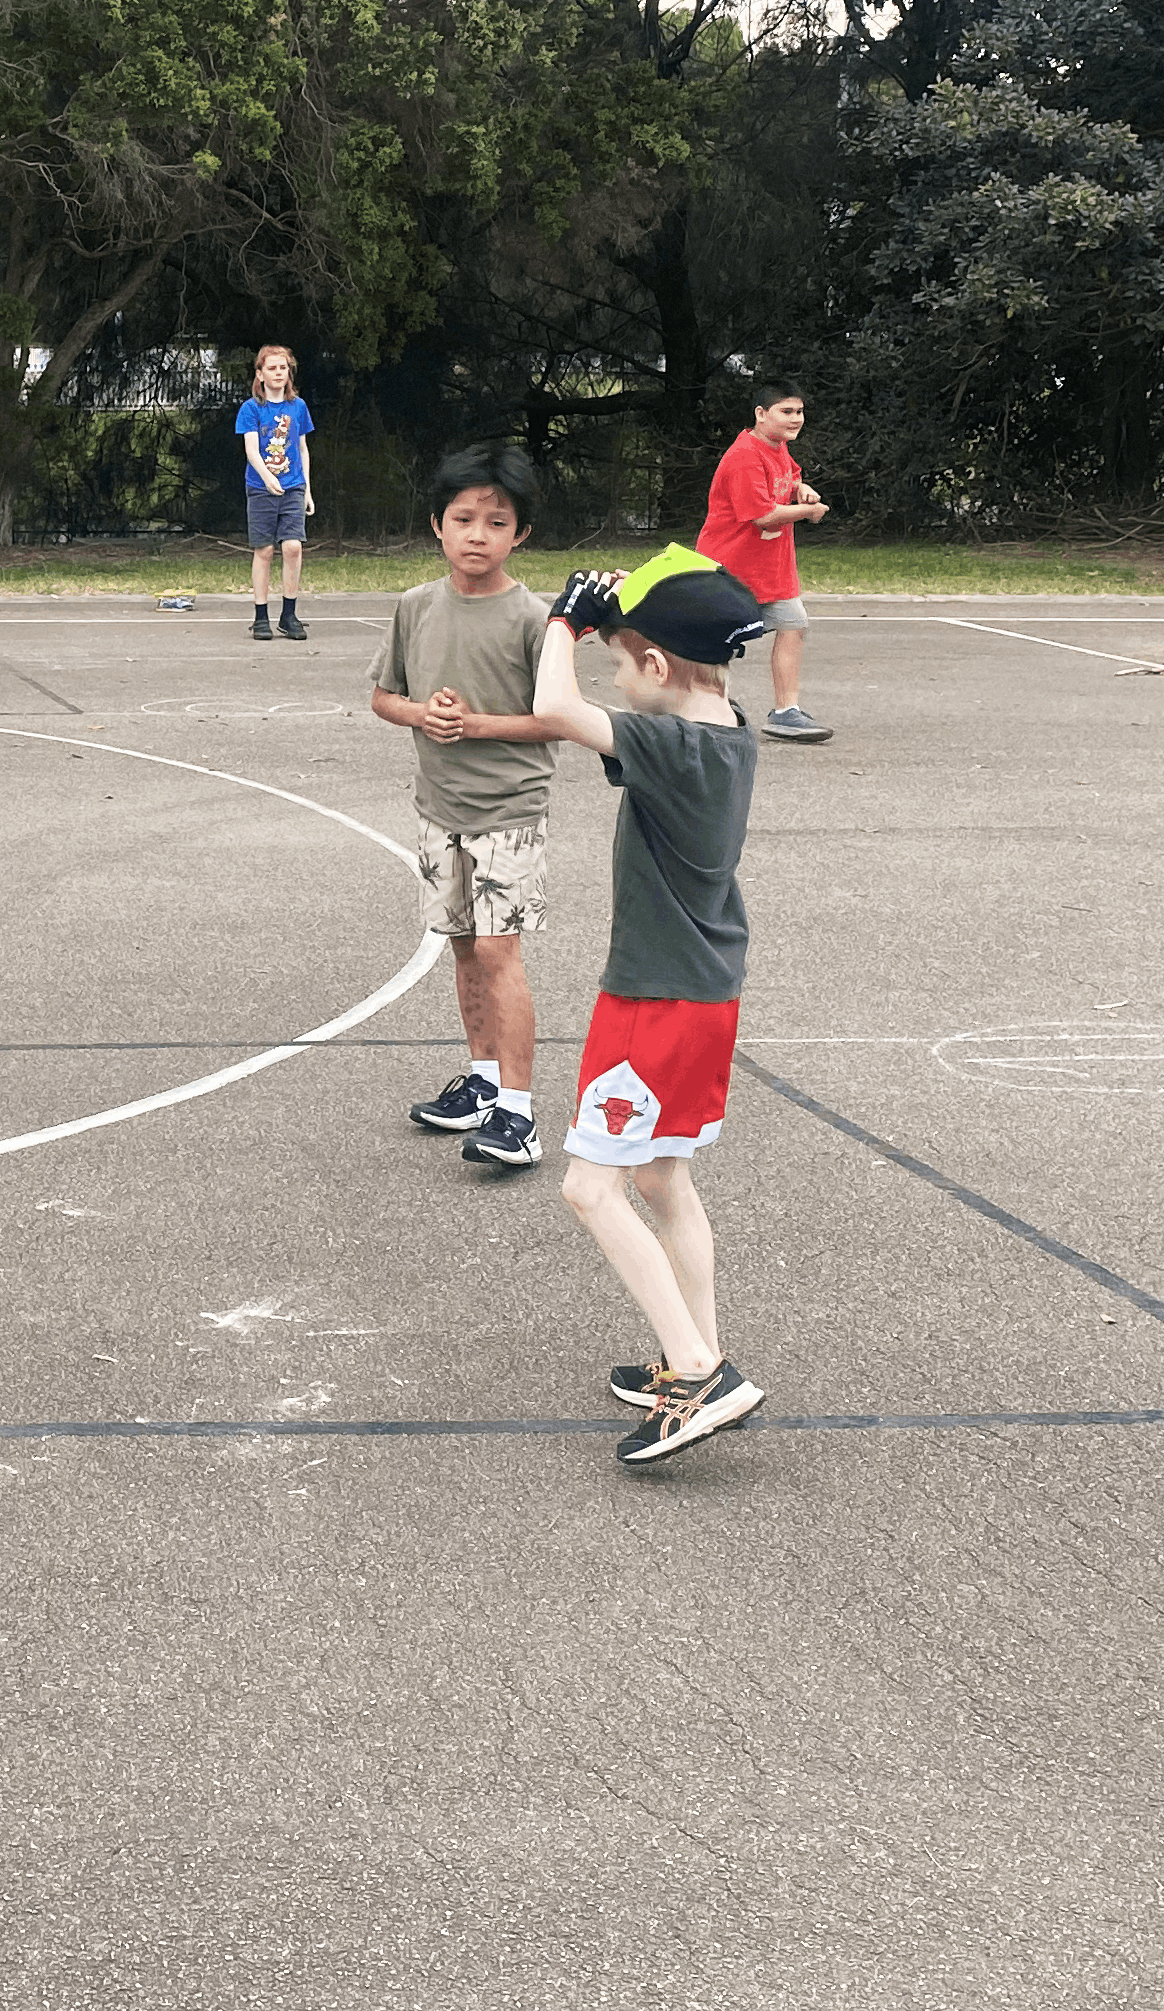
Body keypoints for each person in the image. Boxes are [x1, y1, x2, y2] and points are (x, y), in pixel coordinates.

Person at [532, 545, 772, 1463]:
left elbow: (553, 710)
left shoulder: (670, 746)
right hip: (704, 993)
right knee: (664, 1178)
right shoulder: (729, 730)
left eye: (622, 665)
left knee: (588, 1186)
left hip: (653, 999)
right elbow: (654, 686)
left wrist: (565, 621)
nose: (616, 682)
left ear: (660, 666)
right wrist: (626, 619)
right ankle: (692, 1355)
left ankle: (700, 1372)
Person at [370, 445, 561, 1169]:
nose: (477, 535)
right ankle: (482, 1083)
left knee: (497, 950)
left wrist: (475, 724)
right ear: (437, 524)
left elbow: (557, 719)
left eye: (496, 522)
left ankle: (519, 1112)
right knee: (460, 943)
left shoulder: (535, 620)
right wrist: (423, 713)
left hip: (508, 810)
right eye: (463, 519)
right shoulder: (415, 606)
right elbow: (383, 697)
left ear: (521, 534)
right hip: (438, 807)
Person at [696, 380, 832, 743]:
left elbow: (789, 477)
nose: (795, 419)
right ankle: (704, 711)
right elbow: (763, 515)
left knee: (794, 624)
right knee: (716, 643)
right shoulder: (744, 456)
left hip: (772, 570)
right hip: (732, 569)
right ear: (761, 414)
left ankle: (786, 712)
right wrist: (808, 511)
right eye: (786, 412)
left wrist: (800, 488)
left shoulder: (778, 446)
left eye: (799, 411)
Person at [236, 344, 317, 640]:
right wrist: (267, 476)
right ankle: (261, 616)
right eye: (272, 368)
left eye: (283, 367)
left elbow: (302, 449)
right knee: (265, 549)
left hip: (293, 486)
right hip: (261, 488)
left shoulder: (298, 407)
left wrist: (307, 490)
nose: (278, 372)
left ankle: (289, 614)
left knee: (293, 546)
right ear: (260, 374)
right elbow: (251, 450)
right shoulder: (251, 409)